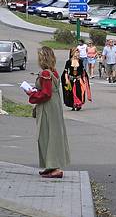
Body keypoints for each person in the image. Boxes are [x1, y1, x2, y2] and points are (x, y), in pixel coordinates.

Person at [26, 46, 70, 178]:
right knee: (53, 135)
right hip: (54, 107)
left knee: (47, 135)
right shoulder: (53, 72)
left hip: (47, 107)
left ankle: (55, 167)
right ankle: (50, 165)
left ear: (43, 58)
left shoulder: (45, 73)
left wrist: (31, 94)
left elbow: (46, 94)